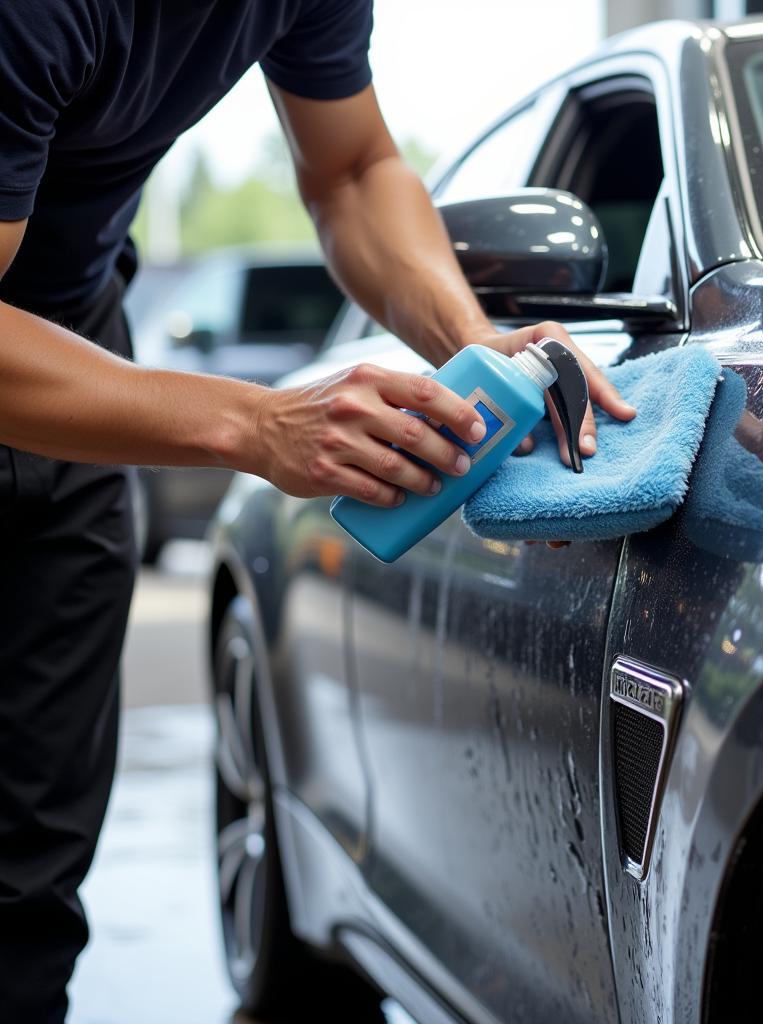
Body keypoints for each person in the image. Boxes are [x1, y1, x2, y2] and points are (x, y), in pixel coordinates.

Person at [0, 3, 635, 1020]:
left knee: (26, 887)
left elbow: (350, 170)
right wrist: (252, 424)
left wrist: (476, 342)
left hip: (79, 368)